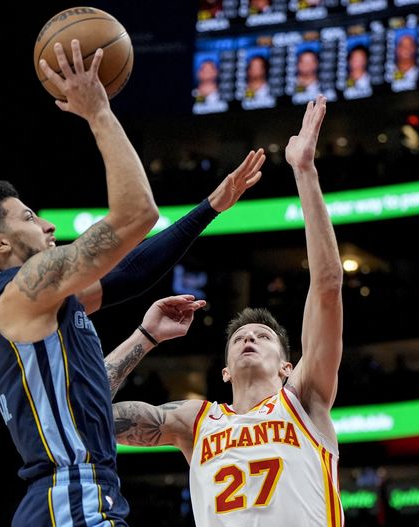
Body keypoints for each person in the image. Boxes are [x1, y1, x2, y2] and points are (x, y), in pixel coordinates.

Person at [0, 38, 267, 527]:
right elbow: (137, 213)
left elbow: (132, 274)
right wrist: (98, 112)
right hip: (73, 499)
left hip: (70, 500)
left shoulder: (40, 304)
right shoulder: (16, 293)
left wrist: (210, 208)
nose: (47, 226)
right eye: (29, 217)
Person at [112, 96, 345, 526]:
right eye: (239, 338)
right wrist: (144, 338)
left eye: (262, 337)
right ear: (224, 372)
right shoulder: (194, 420)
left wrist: (305, 171)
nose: (249, 338)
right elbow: (85, 413)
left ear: (287, 367)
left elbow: (328, 287)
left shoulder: (304, 400)